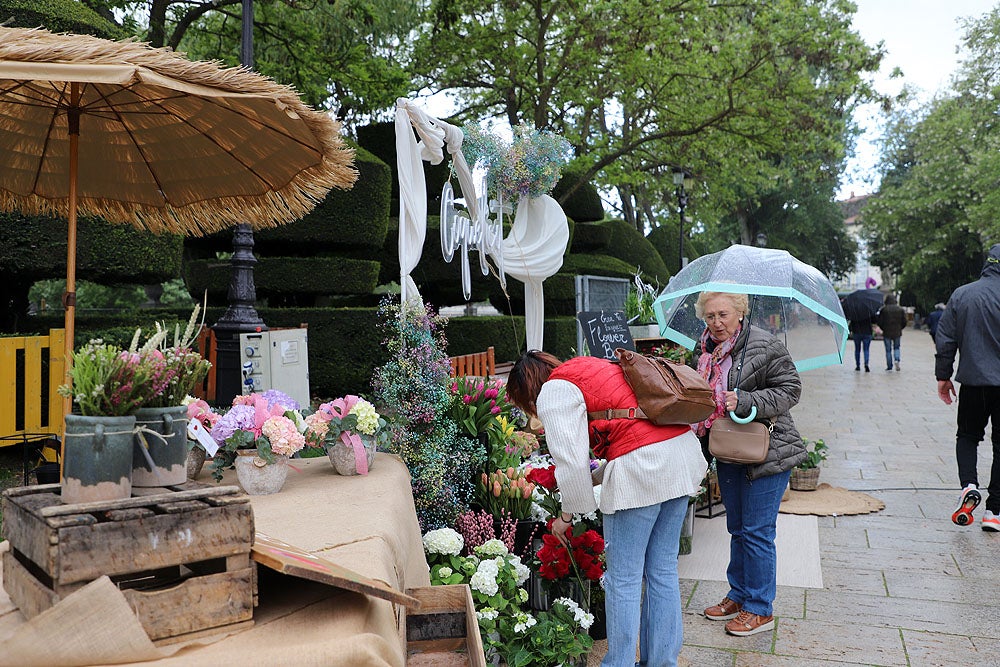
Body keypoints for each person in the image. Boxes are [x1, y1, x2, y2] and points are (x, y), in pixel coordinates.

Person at [506, 350, 706, 667]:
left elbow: (570, 461)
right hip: (679, 457)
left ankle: (619, 663)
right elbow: (630, 424)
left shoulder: (554, 390)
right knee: (662, 571)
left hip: (644, 468)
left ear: (528, 391)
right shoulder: (591, 367)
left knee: (623, 580)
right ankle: (662, 661)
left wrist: (565, 516)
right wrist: (597, 478)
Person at [692, 291, 805, 637]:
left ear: (740, 312)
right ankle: (738, 595)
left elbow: (791, 389)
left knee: (757, 532)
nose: (717, 322)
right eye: (710, 316)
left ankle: (760, 607)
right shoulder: (705, 351)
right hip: (728, 449)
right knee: (737, 528)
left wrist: (746, 399)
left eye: (723, 314)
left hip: (766, 451)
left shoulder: (764, 344)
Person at [935, 244, 1000, 531]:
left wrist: (943, 375)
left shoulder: (963, 294)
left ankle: (968, 485)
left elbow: (946, 338)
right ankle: (994, 513)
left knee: (968, 436)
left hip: (973, 382)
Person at [876, 293, 907, 371]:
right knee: (897, 347)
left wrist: (883, 328)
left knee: (888, 350)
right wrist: (900, 328)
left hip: (887, 332)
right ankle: (897, 359)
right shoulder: (900, 309)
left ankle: (889, 366)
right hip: (897, 332)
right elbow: (904, 321)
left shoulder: (884, 310)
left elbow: (879, 321)